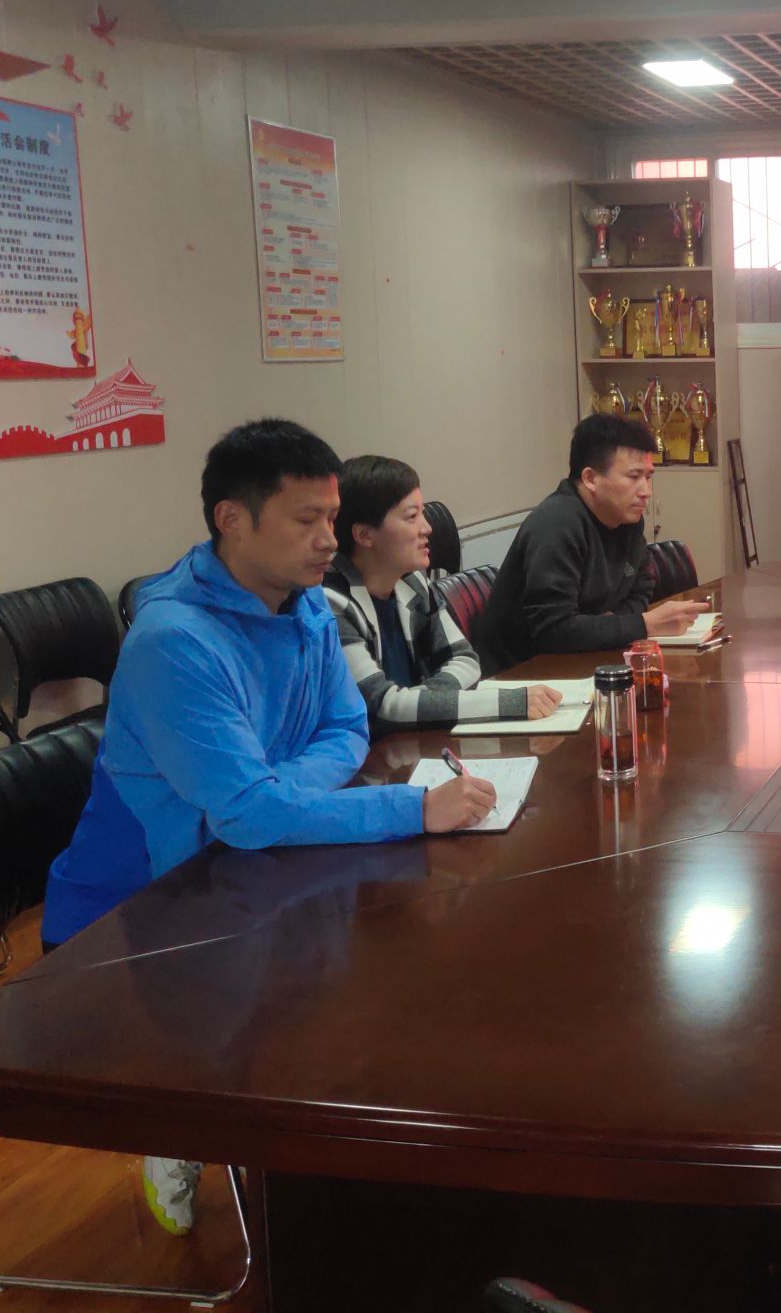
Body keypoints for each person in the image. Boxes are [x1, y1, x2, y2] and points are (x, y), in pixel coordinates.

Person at [41, 419, 499, 1236]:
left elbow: (344, 729)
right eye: (306, 520)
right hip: (140, 917)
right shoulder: (174, 640)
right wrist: (407, 807)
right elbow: (249, 815)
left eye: (333, 518)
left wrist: (270, 795)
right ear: (233, 520)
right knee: (331, 1018)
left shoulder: (304, 602)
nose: (329, 540)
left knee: (373, 990)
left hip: (249, 862)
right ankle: (187, 1123)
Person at [322, 455, 562, 733]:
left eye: (423, 513)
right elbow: (381, 706)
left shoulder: (411, 582)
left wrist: (427, 700)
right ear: (364, 535)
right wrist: (509, 703)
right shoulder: (330, 603)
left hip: (417, 740)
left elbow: (466, 660)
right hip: (374, 754)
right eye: (412, 517)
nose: (427, 528)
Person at [477, 413, 705, 668]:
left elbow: (640, 590)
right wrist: (642, 624)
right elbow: (553, 630)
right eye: (633, 477)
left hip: (586, 658)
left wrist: (607, 625)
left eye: (648, 477)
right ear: (590, 479)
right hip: (521, 673)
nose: (646, 492)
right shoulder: (556, 524)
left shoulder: (627, 519)